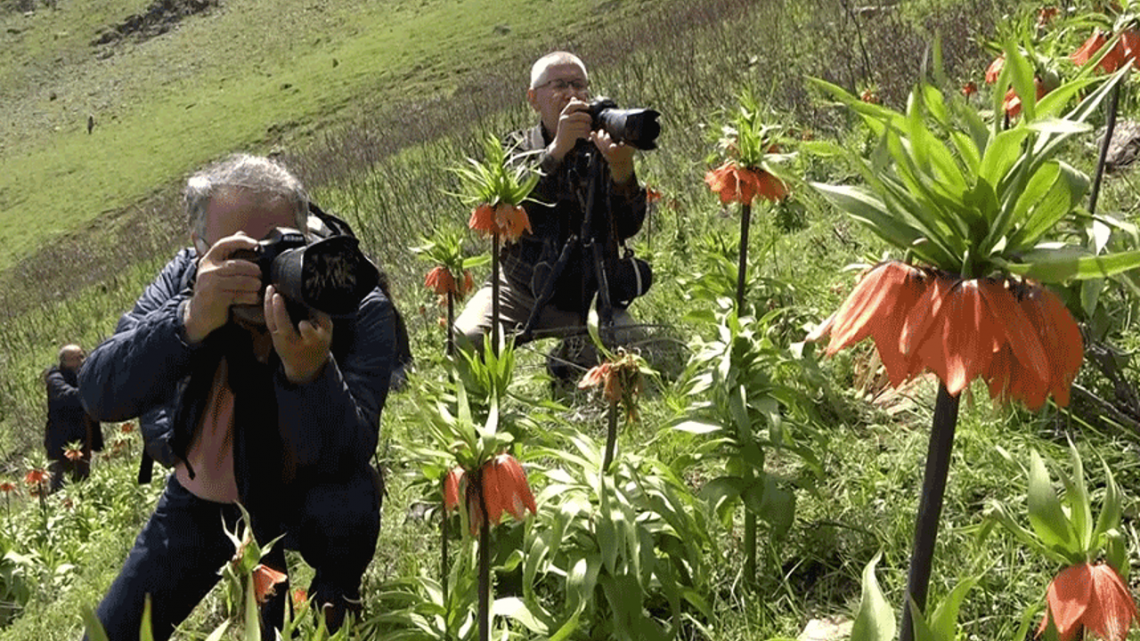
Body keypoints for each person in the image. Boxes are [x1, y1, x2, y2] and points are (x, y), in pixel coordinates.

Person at [79, 154, 397, 640]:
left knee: (348, 504)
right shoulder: (186, 283)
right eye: (240, 254)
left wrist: (310, 373)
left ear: (304, 233)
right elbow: (99, 392)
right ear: (199, 248)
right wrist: (189, 321)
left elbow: (348, 453)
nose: (264, 269)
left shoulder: (352, 302)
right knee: (110, 634)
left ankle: (337, 589)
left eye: (279, 246)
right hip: (206, 498)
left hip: (305, 491)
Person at [454, 51, 649, 370]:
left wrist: (622, 169)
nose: (572, 94)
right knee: (467, 338)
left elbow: (628, 227)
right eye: (559, 85)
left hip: (586, 294)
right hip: (521, 287)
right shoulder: (517, 147)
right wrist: (556, 151)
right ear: (533, 98)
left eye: (579, 85)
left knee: (630, 352)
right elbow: (516, 204)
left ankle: (564, 359)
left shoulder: (601, 143)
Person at [44, 343, 103, 492]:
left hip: (84, 441)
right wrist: (89, 392)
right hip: (61, 443)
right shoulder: (55, 378)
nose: (80, 361)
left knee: (83, 484)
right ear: (64, 361)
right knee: (59, 487)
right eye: (75, 358)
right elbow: (66, 395)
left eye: (81, 356)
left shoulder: (84, 375)